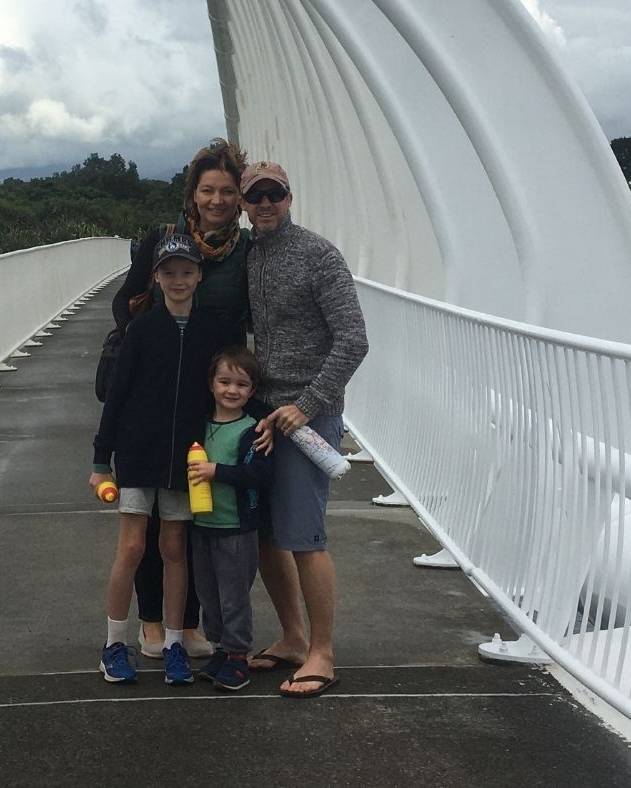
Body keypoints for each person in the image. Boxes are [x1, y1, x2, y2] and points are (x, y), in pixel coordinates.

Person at [111, 139, 252, 660]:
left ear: (239, 199)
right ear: (192, 194)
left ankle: (186, 624)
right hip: (158, 397)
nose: (216, 200)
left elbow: (245, 321)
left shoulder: (244, 251)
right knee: (147, 524)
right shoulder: (163, 241)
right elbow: (123, 301)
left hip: (211, 399)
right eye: (207, 190)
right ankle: (151, 622)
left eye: (228, 192)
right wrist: (150, 352)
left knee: (191, 517)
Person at [240, 161, 369, 698]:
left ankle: (323, 652)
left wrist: (309, 403)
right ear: (244, 204)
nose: (265, 204)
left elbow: (353, 339)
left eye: (275, 195)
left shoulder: (318, 255)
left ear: (290, 198)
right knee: (269, 539)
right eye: (256, 196)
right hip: (263, 412)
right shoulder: (249, 256)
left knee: (305, 537)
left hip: (306, 417)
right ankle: (293, 639)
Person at [90, 234, 241, 685]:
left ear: (199, 276)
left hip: (186, 460)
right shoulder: (142, 330)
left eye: (187, 272)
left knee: (175, 549)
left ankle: (174, 642)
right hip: (138, 454)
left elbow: (225, 390)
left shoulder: (212, 333)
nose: (179, 280)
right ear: (155, 278)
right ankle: (115, 642)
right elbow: (116, 398)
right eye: (169, 272)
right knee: (133, 548)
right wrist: (101, 460)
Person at [187, 346, 273, 691]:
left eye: (241, 384)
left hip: (236, 527)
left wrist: (216, 471)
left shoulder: (254, 431)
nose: (231, 390)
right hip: (202, 525)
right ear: (211, 384)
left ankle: (238, 655)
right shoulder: (201, 424)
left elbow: (261, 475)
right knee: (208, 593)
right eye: (224, 381)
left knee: (234, 594)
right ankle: (220, 647)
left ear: (252, 391)